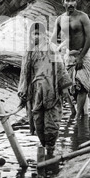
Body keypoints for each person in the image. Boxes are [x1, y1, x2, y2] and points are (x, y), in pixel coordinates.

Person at [18, 22, 73, 157]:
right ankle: (45, 146)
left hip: (51, 89)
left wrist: (64, 87)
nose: (36, 36)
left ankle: (50, 149)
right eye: (34, 34)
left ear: (44, 35)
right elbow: (24, 74)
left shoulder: (51, 49)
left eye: (39, 34)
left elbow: (60, 67)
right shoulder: (29, 52)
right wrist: (23, 93)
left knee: (51, 123)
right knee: (38, 123)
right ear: (30, 36)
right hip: (35, 92)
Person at [51, 0, 90, 119]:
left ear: (76, 2)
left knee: (82, 87)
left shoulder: (82, 16)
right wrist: (52, 53)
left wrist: (81, 57)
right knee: (72, 88)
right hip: (69, 56)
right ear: (63, 2)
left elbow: (89, 38)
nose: (70, 3)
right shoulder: (60, 19)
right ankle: (79, 112)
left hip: (83, 54)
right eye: (67, 0)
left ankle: (78, 117)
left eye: (72, 0)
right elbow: (53, 39)